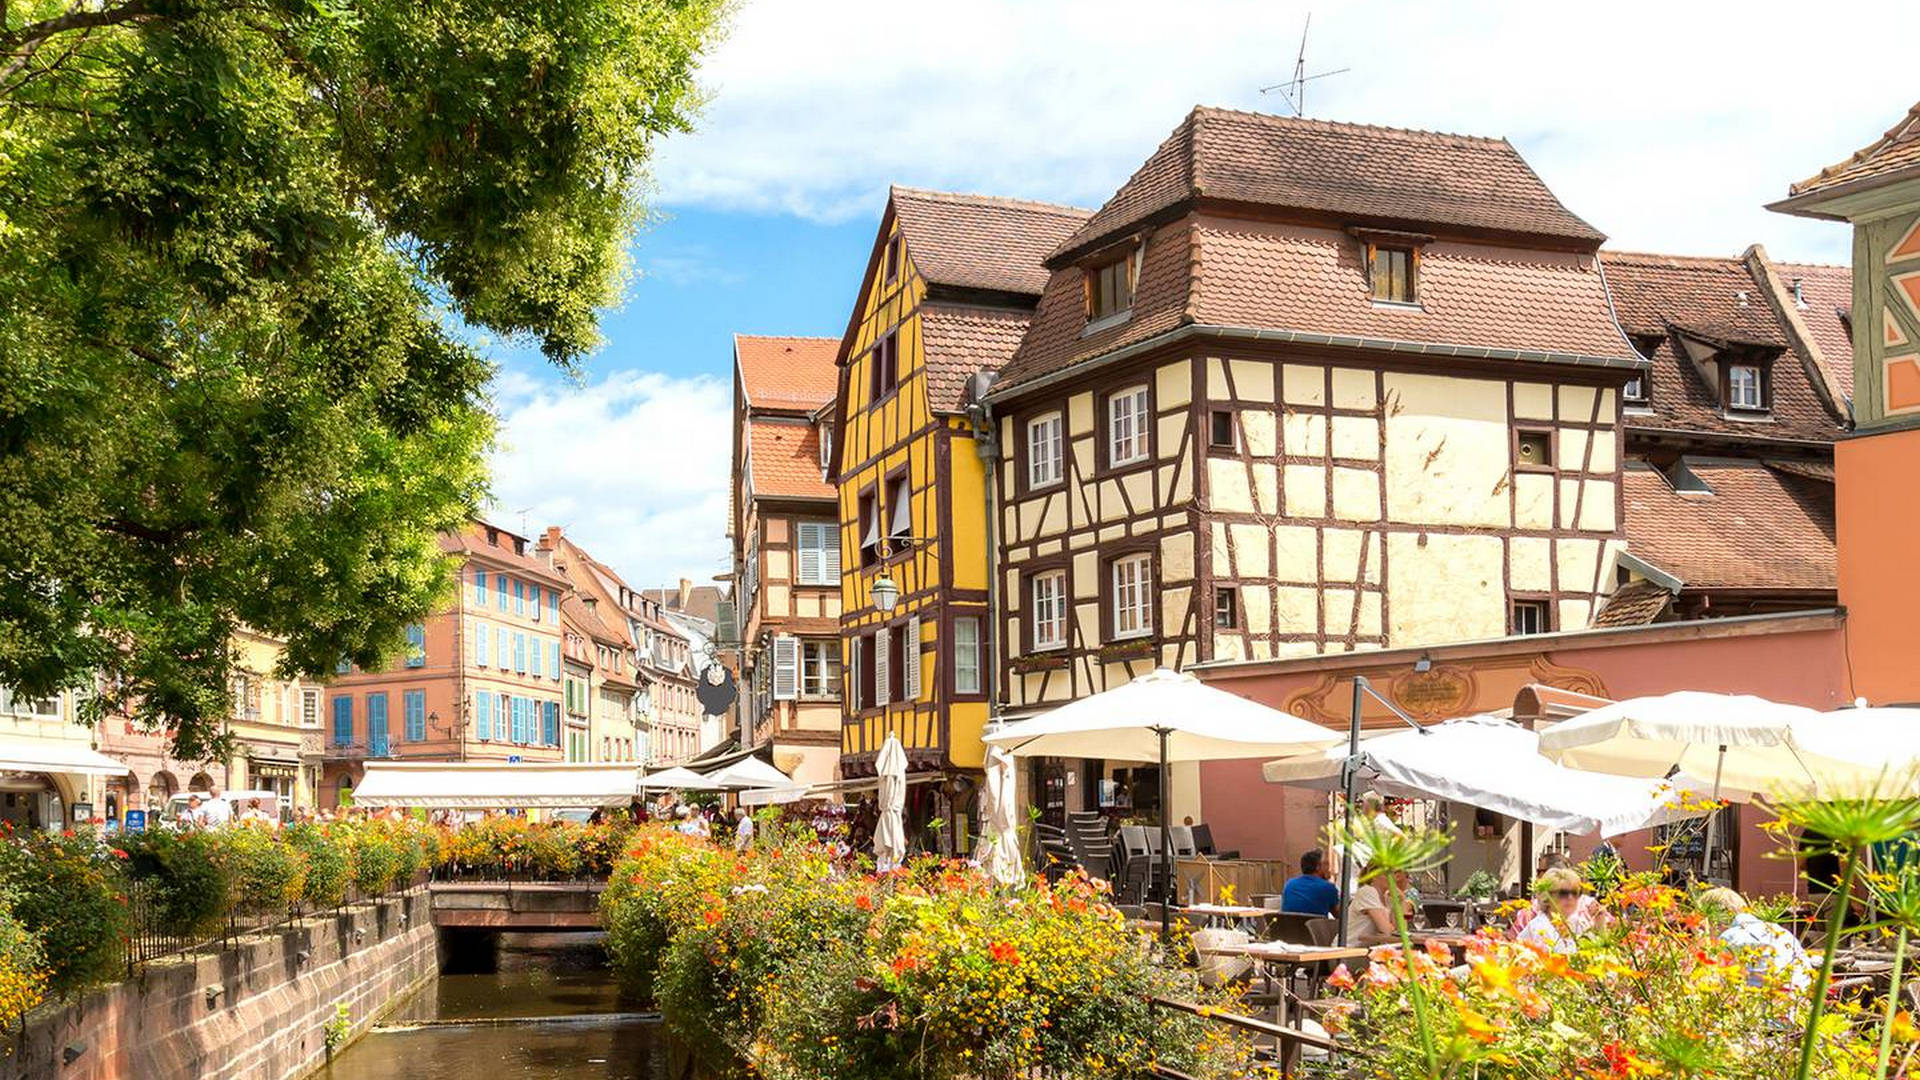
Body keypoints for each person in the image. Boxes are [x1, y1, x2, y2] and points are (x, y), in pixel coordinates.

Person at [1701, 888, 1813, 989]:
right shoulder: (1780, 931)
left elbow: (1717, 983)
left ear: (1713, 919)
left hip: (1761, 999)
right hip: (1801, 999)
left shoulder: (1728, 938)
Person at [1516, 868, 1600, 953]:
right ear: (1546, 897)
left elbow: (1595, 951)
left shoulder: (1578, 924)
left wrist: (1600, 924)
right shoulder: (1538, 927)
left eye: (1574, 893)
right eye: (1563, 893)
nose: (1570, 897)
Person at [1343, 866, 1407, 947]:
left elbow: (1401, 930)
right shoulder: (1367, 891)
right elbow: (1386, 930)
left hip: (1369, 949)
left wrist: (1401, 901)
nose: (1393, 878)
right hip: (1349, 949)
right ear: (1374, 876)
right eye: (1387, 874)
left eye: (1393, 874)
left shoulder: (1388, 897)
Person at [1280, 849, 1341, 917]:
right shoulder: (1328, 888)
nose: (1329, 868)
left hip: (1289, 924)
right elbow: (1340, 916)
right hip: (1315, 924)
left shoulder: (1289, 884)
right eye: (1326, 864)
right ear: (1318, 867)